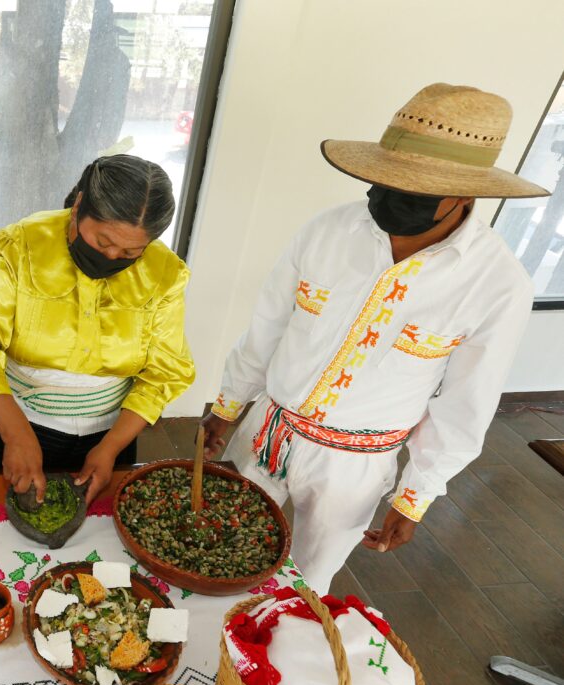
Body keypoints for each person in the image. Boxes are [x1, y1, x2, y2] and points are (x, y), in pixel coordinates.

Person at [201, 84, 550, 594]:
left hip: (355, 465)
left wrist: (416, 495)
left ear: (466, 194)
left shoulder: (497, 284)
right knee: (221, 551)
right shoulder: (326, 232)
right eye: (379, 182)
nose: (383, 199)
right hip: (268, 431)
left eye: (411, 193)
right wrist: (229, 405)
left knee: (306, 582)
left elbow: (465, 405)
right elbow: (267, 327)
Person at [0, 155, 195, 502]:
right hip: (8, 422)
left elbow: (163, 373)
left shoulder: (165, 273)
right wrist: (17, 436)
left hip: (109, 436)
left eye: (131, 251)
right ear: (79, 205)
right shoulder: (21, 246)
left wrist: (110, 449)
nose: (112, 257)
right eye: (103, 242)